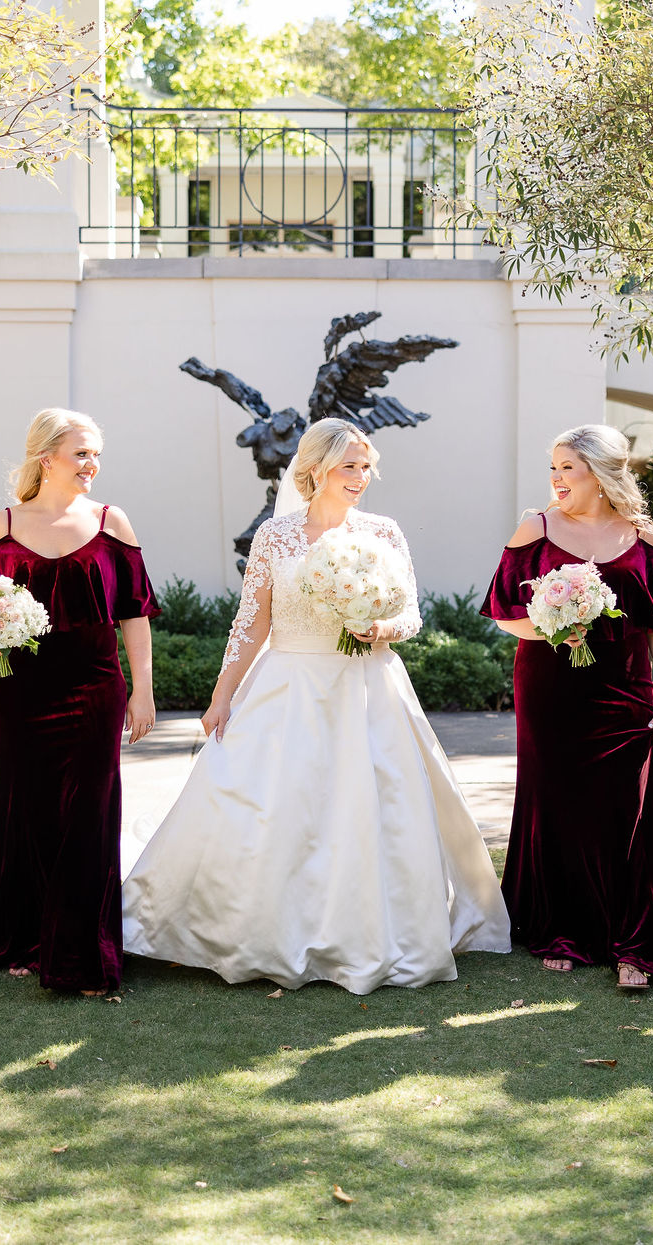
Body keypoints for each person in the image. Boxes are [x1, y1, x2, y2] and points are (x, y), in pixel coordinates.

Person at [123, 418, 511, 992]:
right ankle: (257, 930)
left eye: (366, 465)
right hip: (289, 684)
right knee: (276, 804)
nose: (361, 476)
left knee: (375, 807)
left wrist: (381, 624)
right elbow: (252, 623)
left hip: (368, 686)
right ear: (315, 470)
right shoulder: (276, 537)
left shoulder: (384, 532)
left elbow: (412, 614)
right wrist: (222, 694)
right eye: (349, 465)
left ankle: (374, 934)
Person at [482, 425, 653, 988]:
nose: (556, 478)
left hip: (623, 693)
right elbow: (502, 612)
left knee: (628, 810)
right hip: (550, 689)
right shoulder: (537, 527)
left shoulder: (643, 536)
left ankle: (635, 942)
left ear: (599, 472)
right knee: (558, 804)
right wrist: (553, 626)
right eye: (553, 467)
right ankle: (562, 931)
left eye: (567, 468)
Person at [0, 409, 158, 997]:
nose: (92, 464)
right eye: (82, 453)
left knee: (88, 817)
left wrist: (141, 688)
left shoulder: (111, 522)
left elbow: (134, 611)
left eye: (96, 453)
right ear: (46, 456)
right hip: (19, 691)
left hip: (94, 687)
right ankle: (26, 936)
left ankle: (84, 951)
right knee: (26, 812)